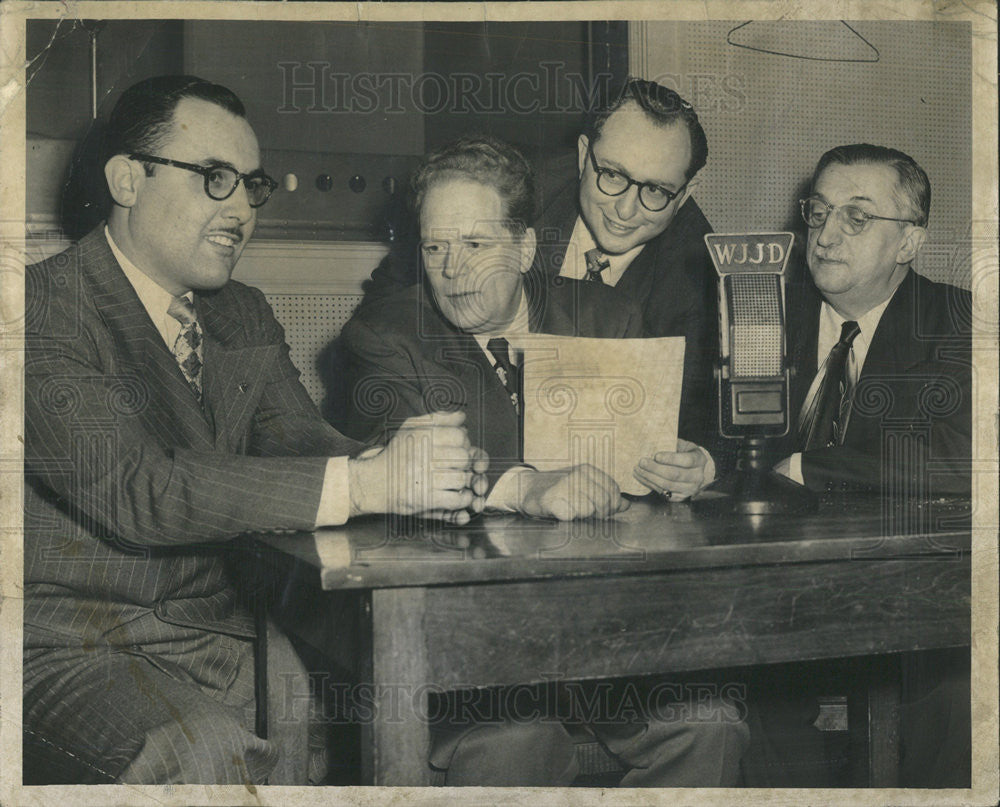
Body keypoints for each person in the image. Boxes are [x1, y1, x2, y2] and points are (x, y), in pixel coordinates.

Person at [23, 75, 488, 786]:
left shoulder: (240, 311)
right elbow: (138, 488)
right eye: (214, 178)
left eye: (251, 184)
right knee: (204, 753)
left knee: (414, 711)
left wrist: (455, 475)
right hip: (76, 649)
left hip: (226, 633)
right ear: (126, 179)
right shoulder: (38, 311)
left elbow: (308, 446)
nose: (242, 209)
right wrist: (368, 479)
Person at [332, 136, 750, 786]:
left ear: (525, 247)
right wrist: (524, 486)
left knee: (711, 724)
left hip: (602, 640)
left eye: (475, 245)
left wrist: (690, 466)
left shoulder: (608, 316)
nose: (452, 270)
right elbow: (398, 457)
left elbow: (658, 445)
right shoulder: (388, 334)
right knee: (520, 744)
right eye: (435, 246)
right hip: (463, 651)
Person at [362, 78, 721, 501]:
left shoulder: (699, 269)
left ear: (685, 195)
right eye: (611, 175)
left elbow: (701, 408)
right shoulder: (505, 192)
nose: (626, 209)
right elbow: (391, 319)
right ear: (585, 155)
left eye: (657, 191)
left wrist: (700, 461)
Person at [761, 144, 971, 787]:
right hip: (769, 596)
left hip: (910, 598)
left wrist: (811, 468)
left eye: (856, 218)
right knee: (732, 705)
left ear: (909, 242)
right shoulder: (759, 316)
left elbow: (965, 459)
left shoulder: (960, 324)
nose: (824, 236)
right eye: (818, 212)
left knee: (955, 696)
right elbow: (714, 441)